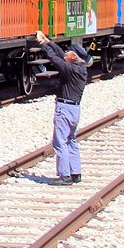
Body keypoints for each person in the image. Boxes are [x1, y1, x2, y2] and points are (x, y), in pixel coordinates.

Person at [35, 30, 89, 185]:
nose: (65, 53)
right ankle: (76, 173)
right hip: (75, 110)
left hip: (64, 109)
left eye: (68, 52)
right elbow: (60, 54)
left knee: (60, 142)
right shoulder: (81, 69)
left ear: (74, 57)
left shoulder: (69, 69)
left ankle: (65, 176)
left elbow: (54, 58)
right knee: (71, 140)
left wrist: (42, 44)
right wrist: (48, 41)